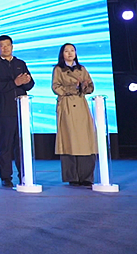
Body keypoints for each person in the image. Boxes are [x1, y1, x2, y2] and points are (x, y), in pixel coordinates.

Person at [0, 35, 34, 187]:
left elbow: (30, 84)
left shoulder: (20, 63)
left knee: (22, 145)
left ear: (12, 46)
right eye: (2, 45)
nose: (5, 48)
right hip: (4, 111)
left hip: (21, 110)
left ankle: (24, 175)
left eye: (7, 45)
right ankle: (6, 177)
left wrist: (26, 82)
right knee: (5, 145)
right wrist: (15, 82)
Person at [52, 43, 97, 187]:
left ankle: (86, 176)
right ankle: (72, 176)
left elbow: (91, 87)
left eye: (72, 50)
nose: (70, 53)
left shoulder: (81, 69)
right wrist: (72, 87)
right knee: (69, 139)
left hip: (81, 105)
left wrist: (84, 86)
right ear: (62, 54)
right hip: (67, 105)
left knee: (85, 140)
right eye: (66, 51)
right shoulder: (58, 69)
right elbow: (56, 87)